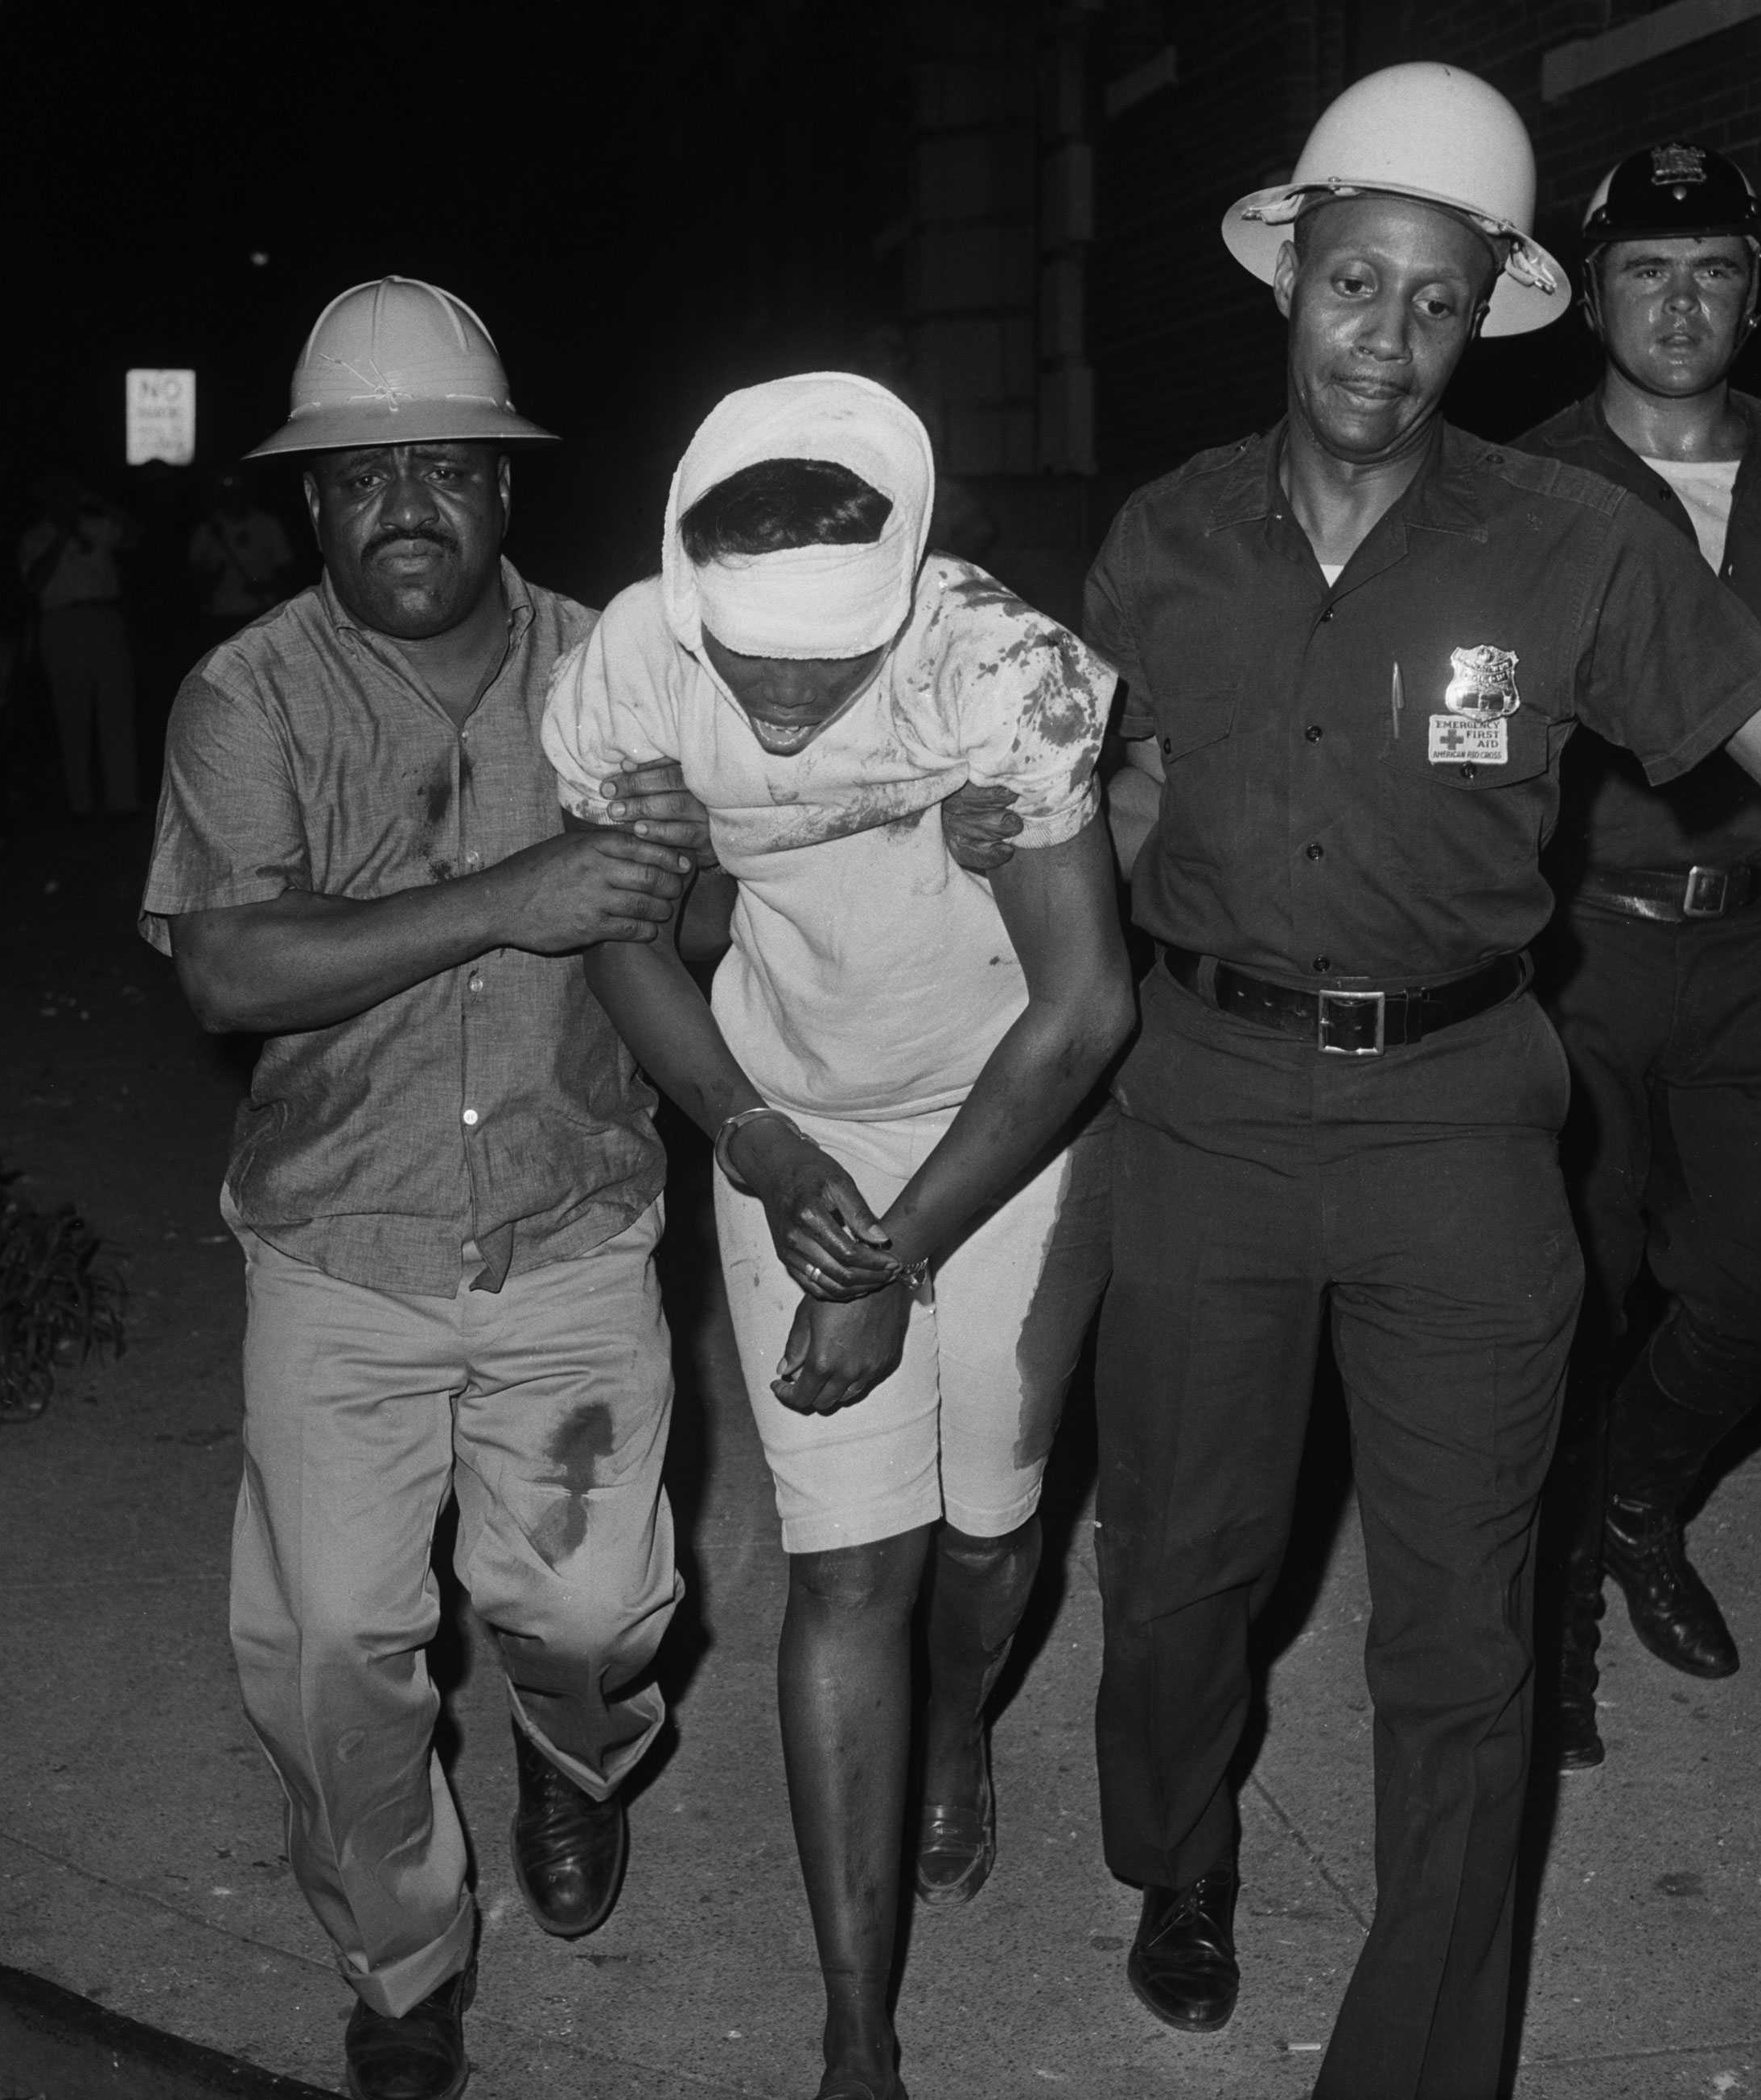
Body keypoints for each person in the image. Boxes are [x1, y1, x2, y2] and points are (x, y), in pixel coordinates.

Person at [1078, 64, 1761, 2099]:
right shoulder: (1161, 536)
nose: (1382, 339)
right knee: (1177, 1576)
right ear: (1288, 273)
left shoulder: (1573, 542)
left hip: (1463, 1119)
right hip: (1201, 1098)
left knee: (1456, 1638)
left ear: (1483, 313)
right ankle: (1173, 1849)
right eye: (1352, 283)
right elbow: (1097, 799)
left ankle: (1410, 2067)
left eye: (1432, 299)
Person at [139, 277, 702, 2100]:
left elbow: (706, 912)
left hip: (568, 1230)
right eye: (362, 474)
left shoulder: (619, 666)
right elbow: (226, 970)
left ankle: (570, 1748)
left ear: (502, 489)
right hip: (338, 1251)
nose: (406, 505)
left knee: (595, 1616)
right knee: (327, 1661)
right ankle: (404, 1964)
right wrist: (512, 893)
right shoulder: (245, 696)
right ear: (309, 506)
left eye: (443, 467)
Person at [541, 372, 1132, 2100]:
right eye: (757, 662)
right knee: (849, 1566)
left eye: (833, 663)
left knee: (985, 1537)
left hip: (1008, 1118)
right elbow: (619, 932)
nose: (789, 701)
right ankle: (855, 2028)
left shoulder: (999, 670)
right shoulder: (634, 665)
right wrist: (761, 1141)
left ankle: (960, 1722)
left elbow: (1086, 1008)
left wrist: (894, 1255)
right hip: (791, 1114)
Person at [1516, 144, 1761, 1773]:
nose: (1678, 300)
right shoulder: (1525, 489)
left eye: (1713, 268)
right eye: (1645, 269)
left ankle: (1638, 1491)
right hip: (1584, 951)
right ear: (1594, 294)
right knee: (1569, 1298)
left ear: (1756, 294)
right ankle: (1550, 1617)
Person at [18, 472, 139, 815]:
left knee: (116, 709)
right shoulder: (36, 536)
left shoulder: (97, 526)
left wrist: (98, 504)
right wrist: (61, 536)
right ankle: (80, 803)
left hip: (104, 616)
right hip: (62, 622)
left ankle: (122, 801)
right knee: (72, 712)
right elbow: (33, 582)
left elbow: (133, 536)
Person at [187, 470, 297, 639]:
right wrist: (212, 578)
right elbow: (194, 580)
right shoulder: (207, 530)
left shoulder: (267, 525)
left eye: (237, 491)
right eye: (227, 492)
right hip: (221, 616)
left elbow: (287, 570)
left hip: (262, 613)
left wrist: (266, 586)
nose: (233, 497)